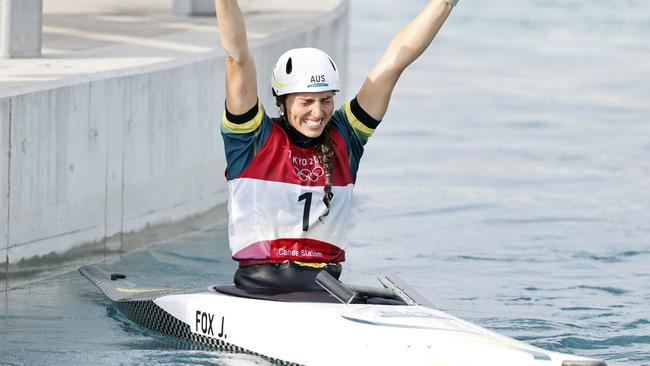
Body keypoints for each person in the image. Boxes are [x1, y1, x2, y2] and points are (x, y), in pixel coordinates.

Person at [215, 0, 458, 290]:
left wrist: (445, 3)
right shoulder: (250, 139)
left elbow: (394, 63)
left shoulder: (347, 137)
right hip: (257, 289)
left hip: (327, 292)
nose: (318, 113)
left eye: (326, 100)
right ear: (282, 102)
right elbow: (238, 58)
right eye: (306, 102)